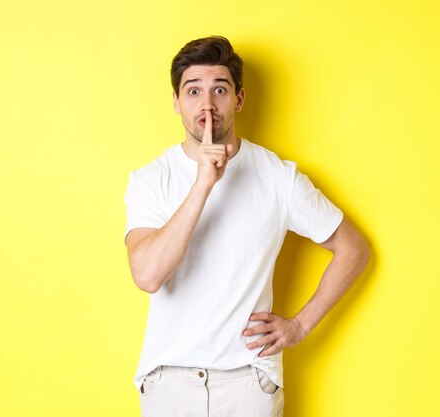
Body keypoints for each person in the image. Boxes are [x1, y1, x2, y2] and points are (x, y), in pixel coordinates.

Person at [124, 36, 370, 417]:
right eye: (193, 91)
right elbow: (148, 275)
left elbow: (354, 249)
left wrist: (300, 326)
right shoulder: (149, 180)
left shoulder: (278, 177)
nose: (206, 105)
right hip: (168, 382)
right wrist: (203, 183)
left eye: (219, 90)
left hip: (247, 383)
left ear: (238, 99)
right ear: (176, 102)